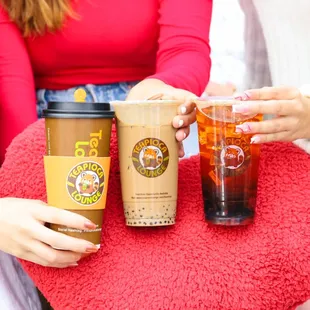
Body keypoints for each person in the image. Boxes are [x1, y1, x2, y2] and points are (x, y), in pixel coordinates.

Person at [0, 0, 212, 308]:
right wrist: (19, 180)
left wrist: (154, 95)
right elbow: (9, 81)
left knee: (172, 270)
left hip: (153, 120)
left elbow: (186, 47)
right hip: (51, 131)